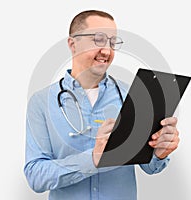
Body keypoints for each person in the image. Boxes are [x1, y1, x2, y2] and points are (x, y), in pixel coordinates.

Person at [24, 10, 180, 200]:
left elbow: (150, 166)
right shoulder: (41, 102)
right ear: (73, 44)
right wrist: (93, 159)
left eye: (112, 42)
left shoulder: (133, 97)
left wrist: (159, 153)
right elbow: (35, 176)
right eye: (98, 39)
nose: (107, 51)